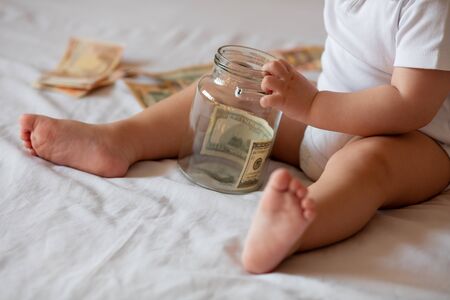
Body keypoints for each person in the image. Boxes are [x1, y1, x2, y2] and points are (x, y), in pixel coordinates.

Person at [19, 0, 450, 274]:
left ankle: (300, 226)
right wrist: (304, 102)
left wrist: (314, 106)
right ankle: (118, 139)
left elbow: (411, 103)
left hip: (415, 139)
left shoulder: (428, 5)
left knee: (366, 166)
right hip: (329, 112)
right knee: (230, 90)